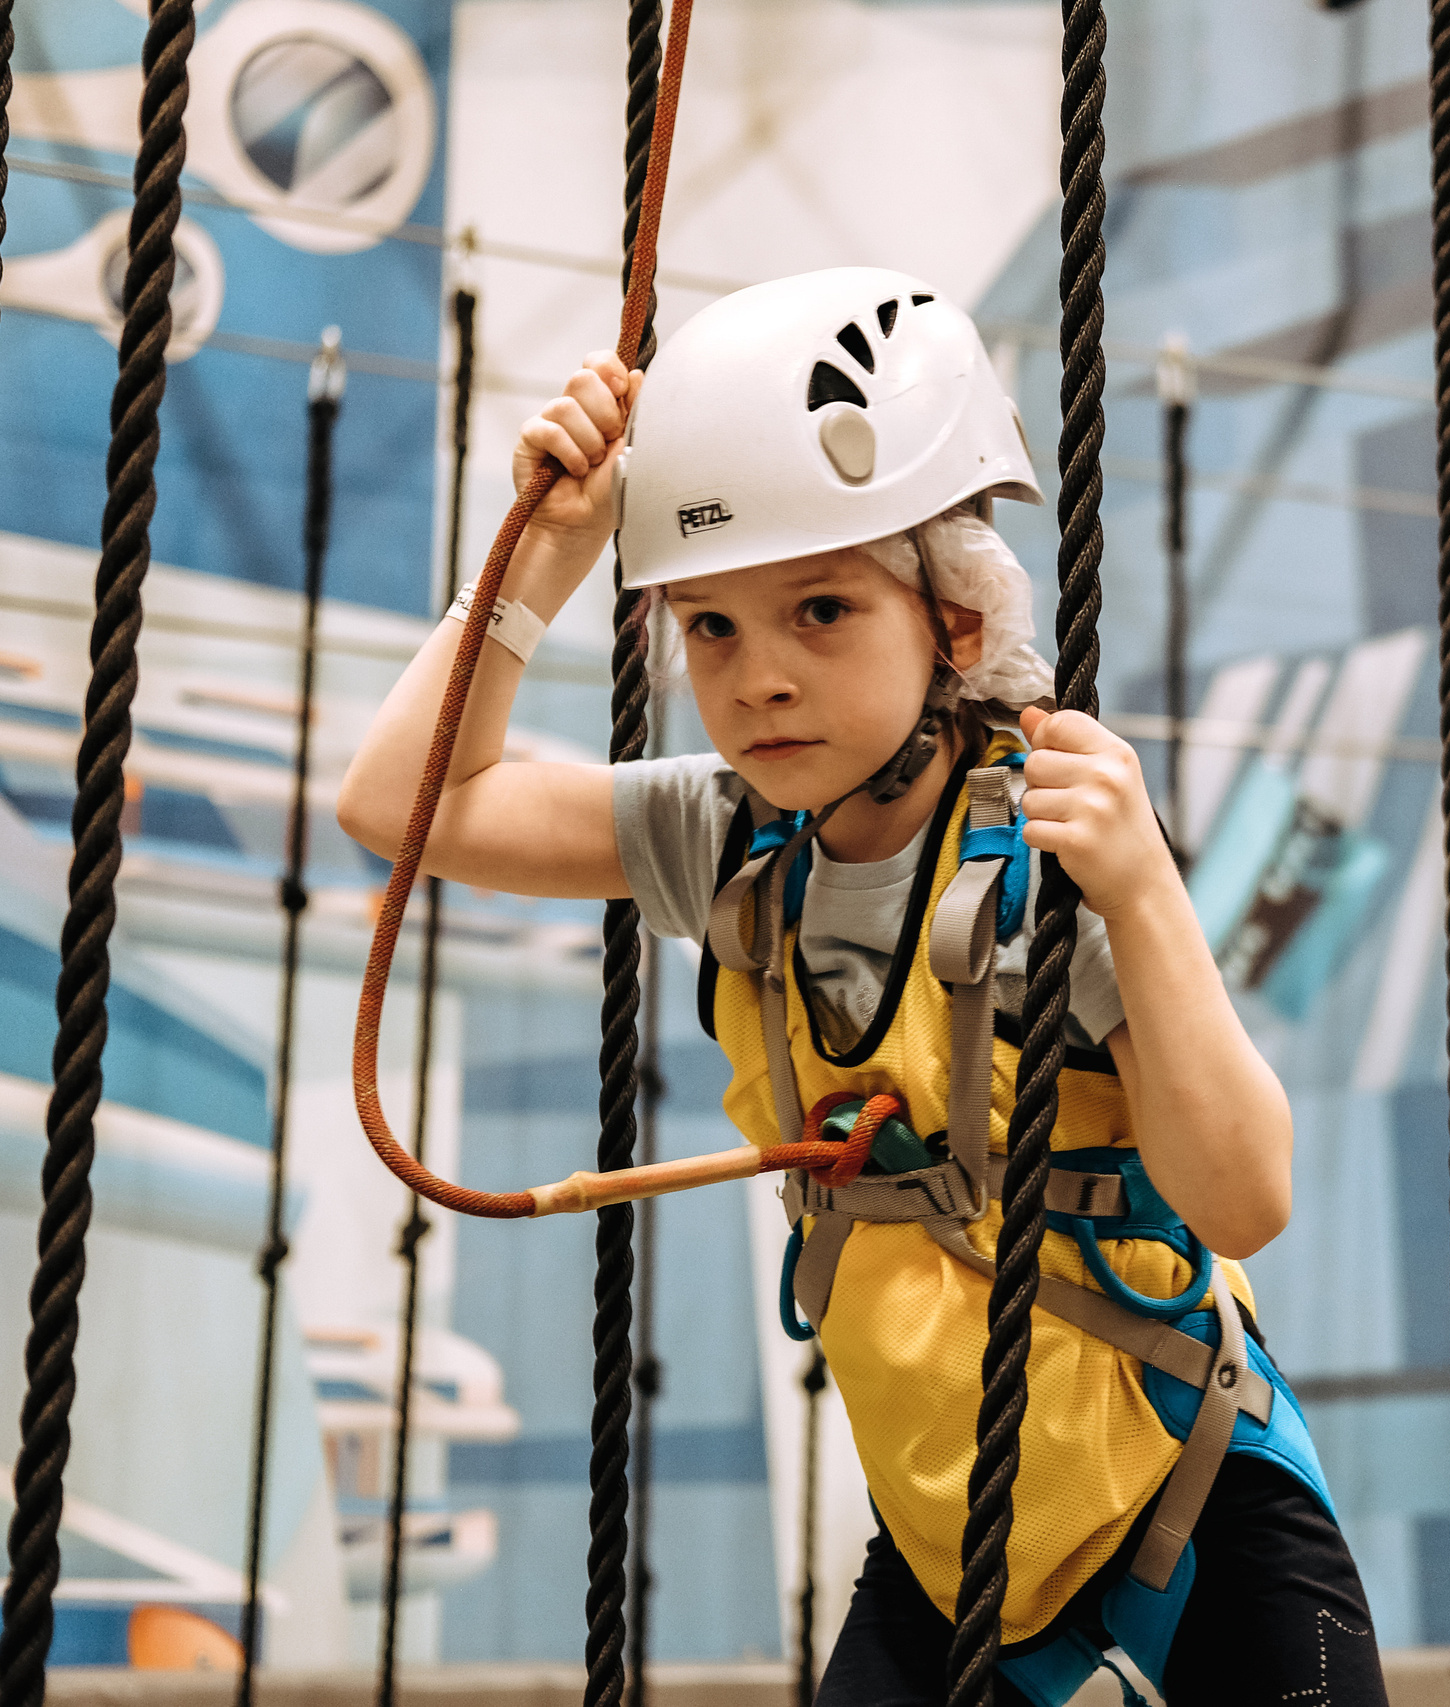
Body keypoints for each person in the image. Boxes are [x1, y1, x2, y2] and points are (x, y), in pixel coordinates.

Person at [340, 268, 1388, 1705]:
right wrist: (540, 564)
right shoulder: (726, 841)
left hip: (1191, 1510)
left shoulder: (1058, 858)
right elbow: (402, 804)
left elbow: (1243, 1200)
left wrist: (1144, 898)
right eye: (710, 627)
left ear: (957, 621)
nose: (758, 678)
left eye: (821, 611)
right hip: (952, 1554)